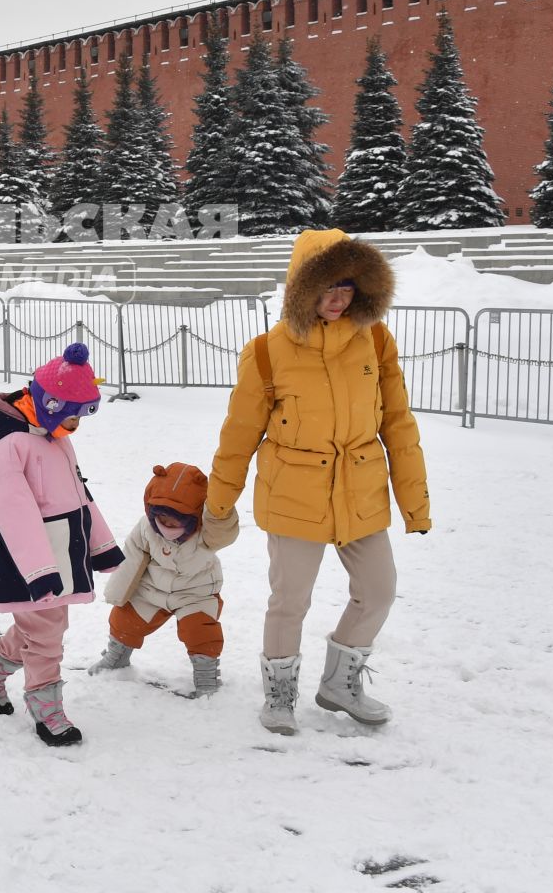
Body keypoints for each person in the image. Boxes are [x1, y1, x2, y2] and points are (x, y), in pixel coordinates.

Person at [207, 228, 431, 736]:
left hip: (361, 489)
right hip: (294, 494)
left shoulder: (375, 339)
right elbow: (239, 434)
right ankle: (279, 693)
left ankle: (340, 683)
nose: (337, 299)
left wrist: (414, 502)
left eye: (348, 288)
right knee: (290, 601)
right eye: (326, 287)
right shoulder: (266, 352)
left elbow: (398, 421)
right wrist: (219, 504)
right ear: (300, 288)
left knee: (378, 590)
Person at [0, 342, 123, 747]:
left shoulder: (54, 439)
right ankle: (47, 709)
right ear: (50, 405)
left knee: (42, 627)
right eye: (72, 417)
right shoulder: (10, 449)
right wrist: (38, 571)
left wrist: (101, 545)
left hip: (58, 555)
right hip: (26, 562)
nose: (76, 426)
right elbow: (14, 515)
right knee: (48, 632)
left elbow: (78, 494)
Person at [88, 462, 236, 695]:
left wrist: (220, 509)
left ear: (194, 517)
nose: (166, 526)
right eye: (162, 519)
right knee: (124, 619)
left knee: (201, 632)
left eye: (175, 521)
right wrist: (118, 593)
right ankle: (117, 657)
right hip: (152, 590)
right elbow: (132, 555)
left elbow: (226, 531)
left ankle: (206, 677)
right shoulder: (147, 528)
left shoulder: (207, 531)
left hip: (195, 594)